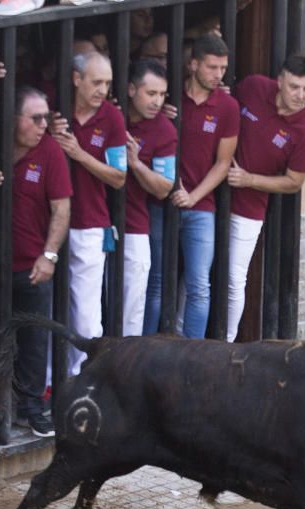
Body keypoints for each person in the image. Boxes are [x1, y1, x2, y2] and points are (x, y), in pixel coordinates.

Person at [225, 55, 305, 342]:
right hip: (211, 196)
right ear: (279, 81)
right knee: (195, 273)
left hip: (250, 210)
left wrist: (249, 180)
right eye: (294, 87)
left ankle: (225, 343)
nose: (300, 96)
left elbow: (294, 182)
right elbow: (225, 105)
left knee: (233, 279)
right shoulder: (253, 88)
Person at [51, 51, 127, 373]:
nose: (103, 90)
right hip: (49, 223)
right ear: (76, 79)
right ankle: (47, 386)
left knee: (85, 312)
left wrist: (78, 154)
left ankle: (84, 383)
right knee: (52, 308)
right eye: (96, 82)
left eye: (107, 83)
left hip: (90, 223)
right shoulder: (54, 110)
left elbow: (119, 177)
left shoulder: (112, 117)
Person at [162, 34, 239, 338]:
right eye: (212, 67)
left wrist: (193, 197)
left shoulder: (228, 106)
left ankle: (192, 352)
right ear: (193, 64)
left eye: (223, 68)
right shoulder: (169, 99)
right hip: (161, 200)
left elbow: (223, 163)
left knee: (199, 286)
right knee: (156, 282)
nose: (219, 74)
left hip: (201, 206)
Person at [9, 86, 72, 437]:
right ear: (15, 119)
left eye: (46, 117)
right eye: (35, 118)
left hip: (32, 266)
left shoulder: (49, 151)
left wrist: (49, 256)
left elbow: (61, 206)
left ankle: (31, 408)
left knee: (34, 340)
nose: (43, 125)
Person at [124, 60, 177, 336]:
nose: (157, 102)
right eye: (151, 93)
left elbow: (164, 187)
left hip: (137, 221)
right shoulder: (112, 114)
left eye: (162, 95)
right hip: (96, 220)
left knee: (137, 296)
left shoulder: (164, 130)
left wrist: (136, 164)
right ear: (131, 89)